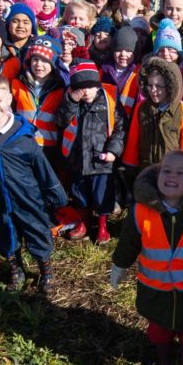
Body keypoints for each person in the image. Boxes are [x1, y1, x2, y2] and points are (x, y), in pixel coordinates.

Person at [109, 150, 183, 365]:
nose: (172, 176)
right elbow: (129, 242)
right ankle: (163, 362)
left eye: (180, 172)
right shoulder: (140, 212)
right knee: (159, 329)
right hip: (154, 289)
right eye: (166, 171)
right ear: (157, 176)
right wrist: (119, 265)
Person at [0, 72, 69, 295]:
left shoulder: (23, 135)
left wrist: (55, 193)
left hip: (28, 197)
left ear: (9, 99)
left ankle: (45, 270)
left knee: (37, 231)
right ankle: (15, 269)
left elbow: (41, 166)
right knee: (6, 233)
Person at [57, 60, 127, 244]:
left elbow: (120, 128)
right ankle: (84, 222)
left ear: (97, 85)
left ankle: (103, 226)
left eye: (90, 86)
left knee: (102, 194)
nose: (86, 92)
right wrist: (72, 101)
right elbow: (61, 120)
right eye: (80, 88)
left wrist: (113, 151)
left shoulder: (109, 100)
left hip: (100, 159)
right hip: (77, 159)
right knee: (79, 193)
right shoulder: (70, 100)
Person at [120, 56, 183, 176]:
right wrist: (130, 166)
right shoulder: (142, 108)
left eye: (159, 86)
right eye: (150, 85)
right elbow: (133, 140)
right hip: (146, 172)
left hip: (173, 175)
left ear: (171, 86)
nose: (153, 90)